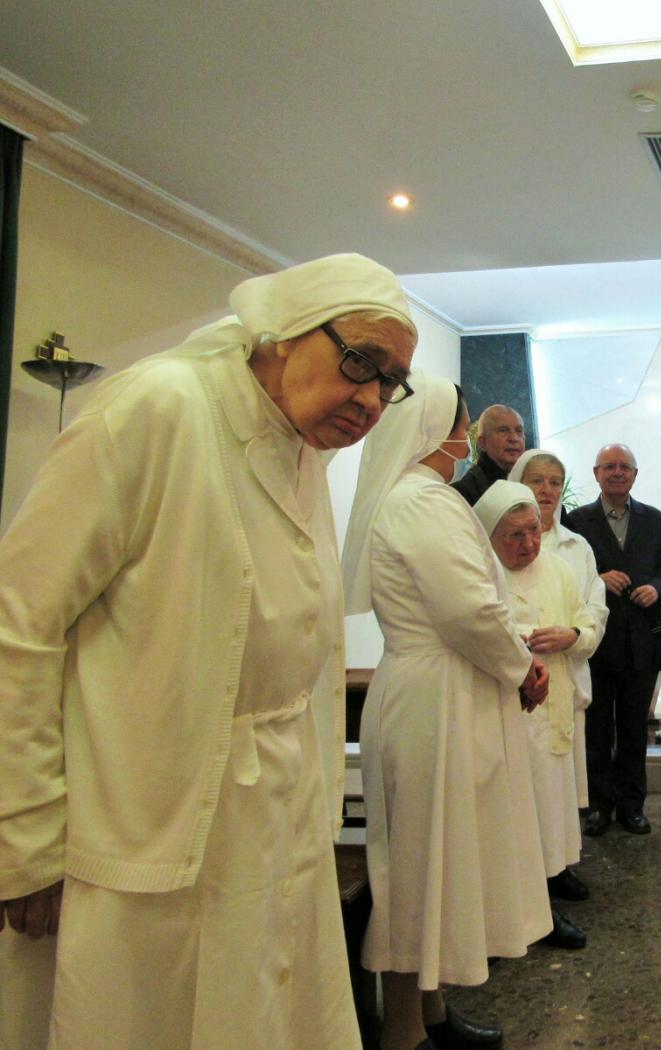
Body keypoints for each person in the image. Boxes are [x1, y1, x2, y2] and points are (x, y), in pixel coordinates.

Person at [0, 254, 415, 1050]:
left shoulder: (301, 445)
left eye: (390, 380)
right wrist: (25, 840)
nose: (371, 398)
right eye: (360, 362)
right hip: (147, 811)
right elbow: (20, 624)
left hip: (274, 810)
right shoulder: (158, 409)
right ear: (282, 335)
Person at [342, 376, 554, 1050]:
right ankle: (404, 1031)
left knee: (438, 862)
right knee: (418, 868)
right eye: (464, 426)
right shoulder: (421, 502)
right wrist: (522, 667)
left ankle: (430, 1011)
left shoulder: (418, 498)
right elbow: (469, 610)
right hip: (434, 700)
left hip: (442, 690)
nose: (467, 440)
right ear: (442, 429)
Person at [479, 481, 598, 950]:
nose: (529, 543)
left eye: (534, 530)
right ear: (489, 535)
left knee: (551, 804)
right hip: (506, 712)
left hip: (553, 705)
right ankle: (527, 912)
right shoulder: (479, 575)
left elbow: (586, 621)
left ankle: (551, 880)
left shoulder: (558, 567)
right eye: (515, 535)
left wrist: (571, 635)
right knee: (516, 816)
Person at [563, 444, 661, 836]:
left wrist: (658, 588)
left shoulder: (654, 519)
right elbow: (564, 570)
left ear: (635, 474)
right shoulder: (576, 521)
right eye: (609, 466)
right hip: (595, 642)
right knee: (596, 729)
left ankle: (632, 805)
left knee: (633, 728)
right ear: (596, 473)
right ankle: (599, 804)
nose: (617, 472)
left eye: (624, 466)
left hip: (640, 640)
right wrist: (597, 578)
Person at [508, 448, 610, 853]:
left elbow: (595, 608)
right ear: (517, 484)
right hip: (520, 684)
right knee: (525, 788)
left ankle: (561, 863)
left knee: (561, 789)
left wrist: (574, 635)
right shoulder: (498, 542)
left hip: (566, 677)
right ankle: (532, 871)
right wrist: (527, 637)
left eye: (555, 482)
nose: (547, 490)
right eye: (537, 480)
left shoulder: (577, 547)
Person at [452, 403, 525, 505]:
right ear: (483, 442)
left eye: (519, 431)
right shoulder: (464, 491)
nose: (514, 438)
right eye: (503, 430)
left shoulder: (530, 481)